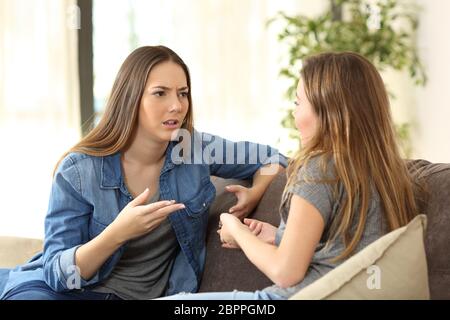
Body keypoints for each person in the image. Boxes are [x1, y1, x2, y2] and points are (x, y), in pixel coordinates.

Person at [0, 45, 286, 300]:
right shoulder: (78, 170)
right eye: (160, 93)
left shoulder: (195, 149)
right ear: (131, 98)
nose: (177, 105)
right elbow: (57, 274)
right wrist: (117, 233)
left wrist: (254, 192)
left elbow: (273, 158)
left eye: (183, 93)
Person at [159, 51, 419, 300]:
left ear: (329, 112)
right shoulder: (385, 172)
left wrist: (238, 232)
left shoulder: (319, 169)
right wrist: (279, 235)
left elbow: (286, 272)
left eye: (298, 102)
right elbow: (344, 250)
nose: (294, 114)